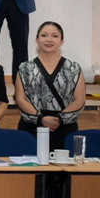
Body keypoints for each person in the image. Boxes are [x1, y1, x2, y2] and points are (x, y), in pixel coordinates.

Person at [14, 21, 85, 150]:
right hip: (32, 128)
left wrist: (59, 119)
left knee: (63, 168)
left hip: (64, 128)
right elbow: (20, 98)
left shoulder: (73, 68)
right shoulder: (25, 68)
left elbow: (79, 99)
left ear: (61, 41)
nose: (49, 39)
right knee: (30, 167)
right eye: (44, 35)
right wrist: (41, 119)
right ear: (37, 39)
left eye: (55, 36)